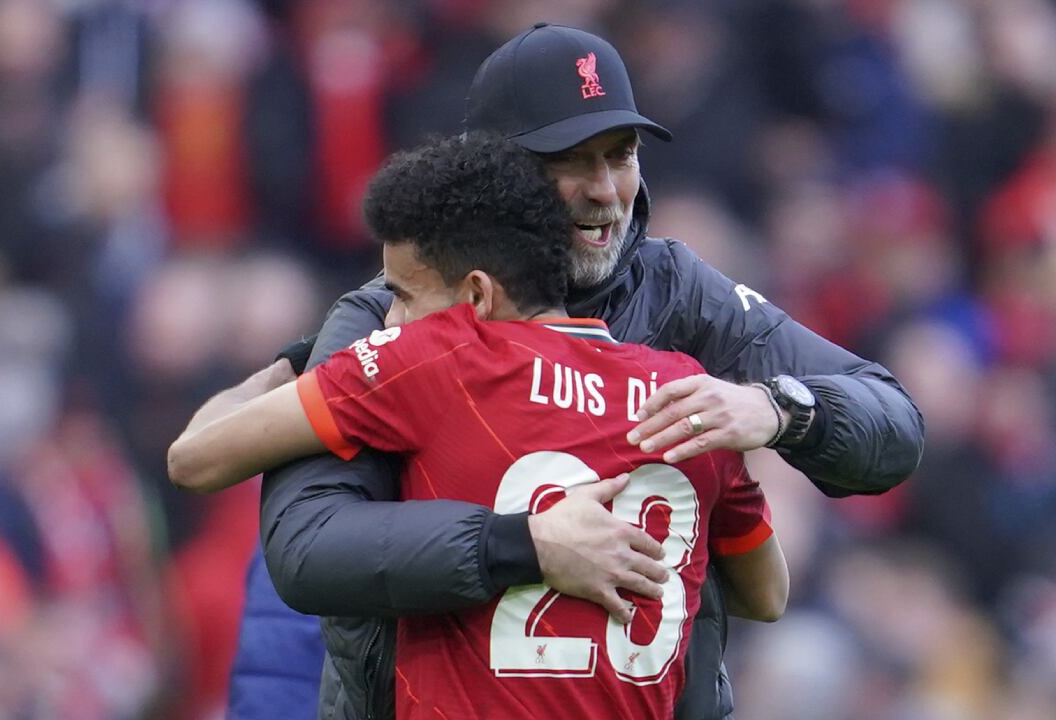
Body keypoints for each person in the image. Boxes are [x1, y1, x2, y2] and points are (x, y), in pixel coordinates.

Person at [227, 23, 924, 720]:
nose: (605, 190)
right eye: (571, 160)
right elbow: (303, 547)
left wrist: (778, 411)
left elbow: (892, 424)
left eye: (621, 156)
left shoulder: (681, 295)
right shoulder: (393, 314)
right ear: (497, 178)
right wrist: (521, 544)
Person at [170, 133, 789, 720]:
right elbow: (767, 596)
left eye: (404, 296)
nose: (388, 319)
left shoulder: (439, 359)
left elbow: (194, 458)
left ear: (475, 298)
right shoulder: (683, 392)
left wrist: (288, 367)